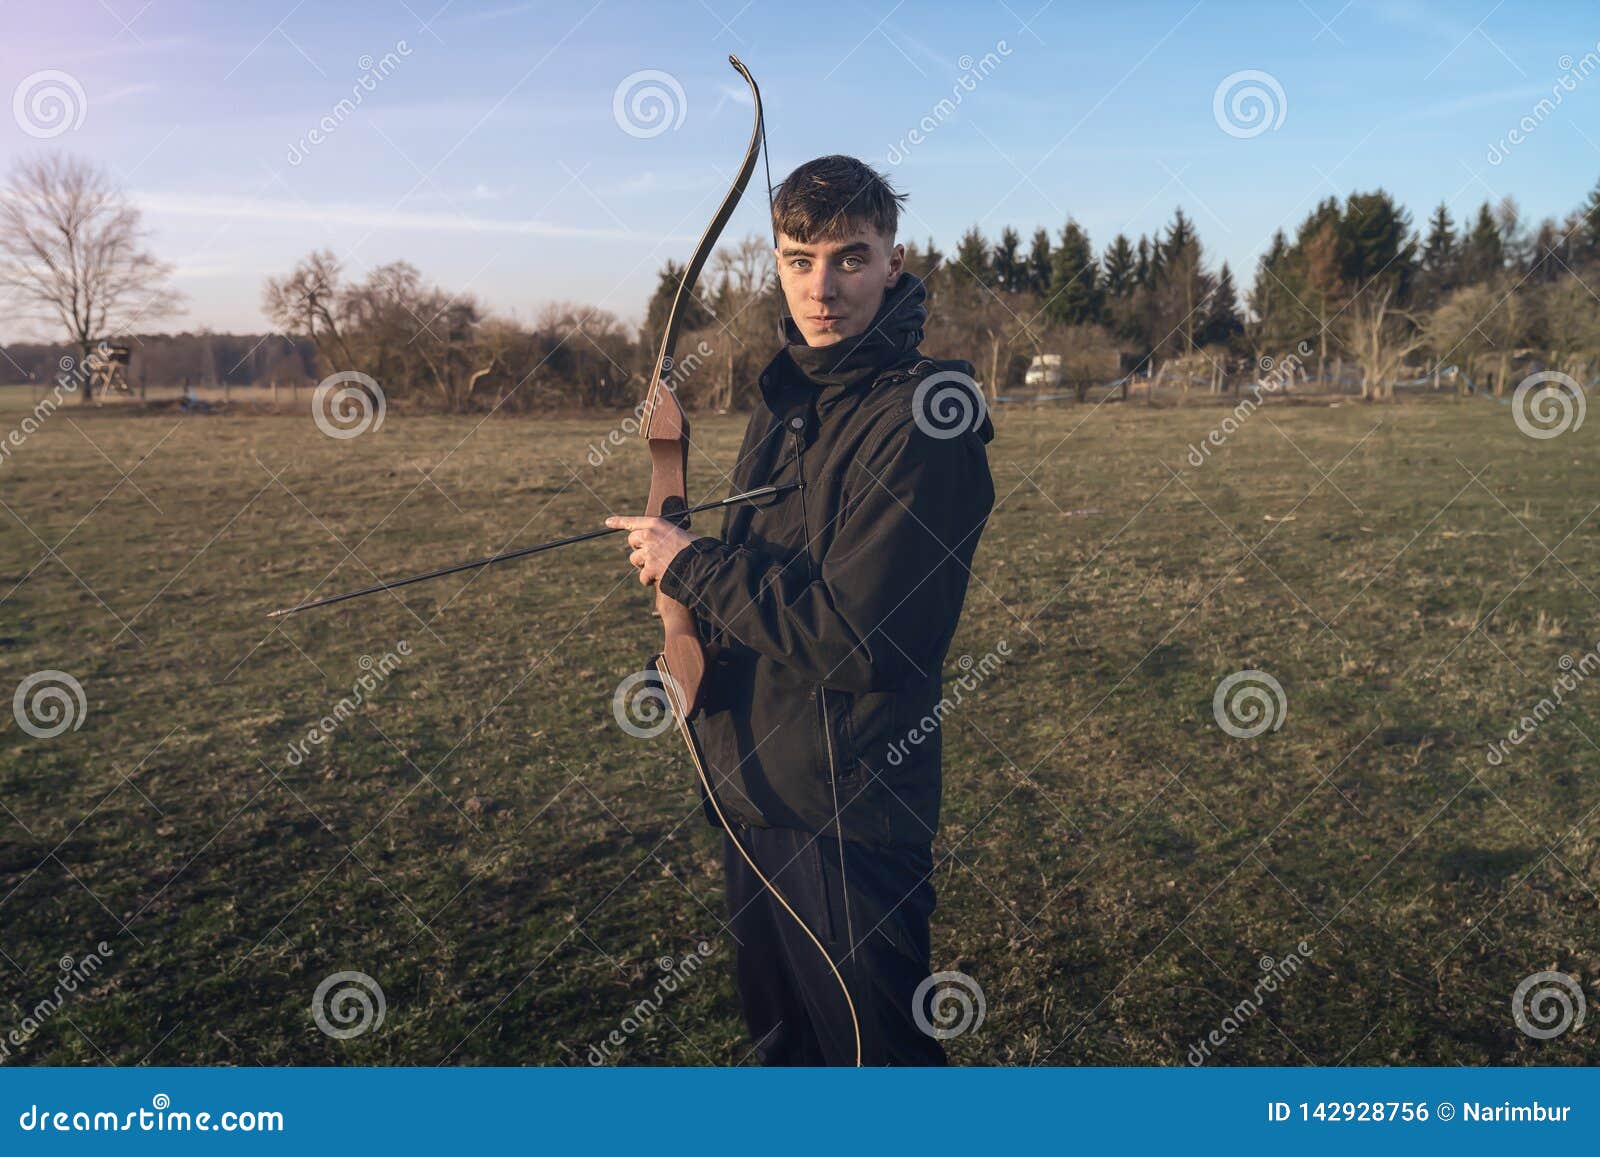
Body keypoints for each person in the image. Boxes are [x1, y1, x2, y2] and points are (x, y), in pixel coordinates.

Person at [607, 155, 995, 1065]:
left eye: (850, 258)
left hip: (846, 807)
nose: (821, 288)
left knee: (877, 1065)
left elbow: (861, 635)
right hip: (755, 785)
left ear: (893, 262)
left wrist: (692, 566)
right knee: (785, 1053)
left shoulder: (923, 419)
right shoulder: (788, 394)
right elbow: (762, 569)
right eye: (798, 259)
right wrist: (685, 589)